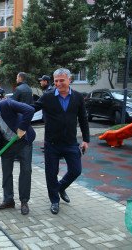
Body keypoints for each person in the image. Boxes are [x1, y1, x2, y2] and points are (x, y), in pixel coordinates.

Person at [32, 68, 90, 215]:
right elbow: (32, 108)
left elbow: (83, 119)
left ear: (69, 80)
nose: (58, 84)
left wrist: (86, 140)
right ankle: (55, 201)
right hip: (52, 143)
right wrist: (10, 107)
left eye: (61, 80)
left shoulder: (77, 97)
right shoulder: (48, 97)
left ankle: (60, 187)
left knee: (76, 170)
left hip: (71, 142)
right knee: (51, 173)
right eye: (56, 81)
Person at [0, 98, 36, 215]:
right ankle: (8, 200)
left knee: (26, 170)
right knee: (6, 172)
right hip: (6, 144)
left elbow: (30, 110)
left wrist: (22, 127)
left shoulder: (8, 104)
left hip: (23, 142)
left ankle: (24, 201)